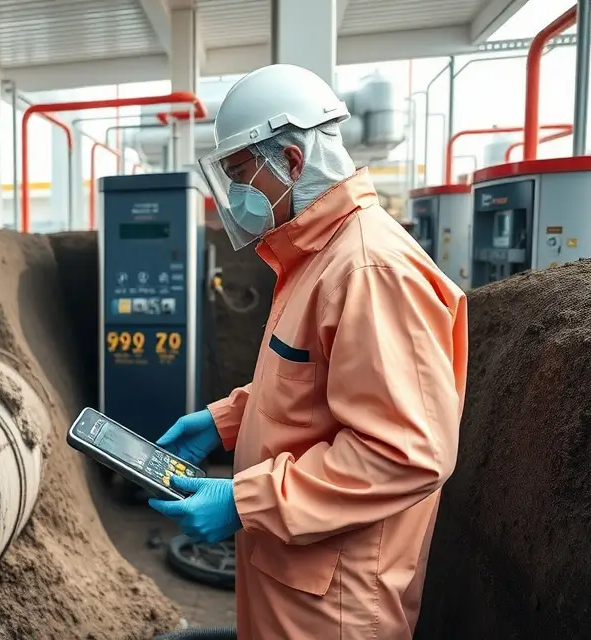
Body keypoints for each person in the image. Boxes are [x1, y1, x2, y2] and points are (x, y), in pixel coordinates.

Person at [148, 64, 468, 639]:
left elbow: (405, 452)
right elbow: (312, 387)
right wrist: (224, 421)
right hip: (295, 580)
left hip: (335, 604)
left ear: (292, 163)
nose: (236, 193)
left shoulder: (370, 270)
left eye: (240, 173)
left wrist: (248, 502)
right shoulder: (316, 256)